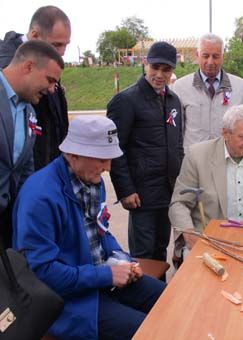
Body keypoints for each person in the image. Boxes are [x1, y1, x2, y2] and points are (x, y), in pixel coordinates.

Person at [13, 115, 165, 339]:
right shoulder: (40, 197)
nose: (108, 167)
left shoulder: (92, 179)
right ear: (73, 154)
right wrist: (106, 275)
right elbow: (42, 273)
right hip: (69, 300)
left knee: (172, 299)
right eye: (101, 159)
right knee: (152, 332)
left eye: (110, 159)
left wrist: (123, 260)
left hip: (98, 280)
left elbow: (101, 231)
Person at [169, 105, 243, 256]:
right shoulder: (197, 155)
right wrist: (190, 235)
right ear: (225, 133)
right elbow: (179, 204)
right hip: (207, 239)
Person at [107, 42, 184, 262]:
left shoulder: (174, 101)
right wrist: (125, 190)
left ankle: (159, 296)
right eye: (155, 67)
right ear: (145, 64)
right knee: (143, 255)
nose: (159, 74)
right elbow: (115, 149)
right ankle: (145, 297)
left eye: (166, 69)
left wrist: (179, 183)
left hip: (167, 192)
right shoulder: (126, 100)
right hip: (140, 195)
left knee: (161, 250)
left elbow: (177, 144)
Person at [0, 40, 64, 248]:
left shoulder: (29, 111)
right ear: (28, 67)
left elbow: (24, 169)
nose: (52, 90)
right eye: (50, 80)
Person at [0, 5, 71, 171]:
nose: (62, 52)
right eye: (56, 45)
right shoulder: (11, 70)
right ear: (34, 36)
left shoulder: (46, 67)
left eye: (66, 45)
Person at [172, 33, 243, 152]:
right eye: (205, 56)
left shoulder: (239, 86)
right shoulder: (180, 86)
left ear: (222, 57)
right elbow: (176, 130)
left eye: (215, 56)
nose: (210, 62)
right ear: (197, 55)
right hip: (193, 160)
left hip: (228, 158)